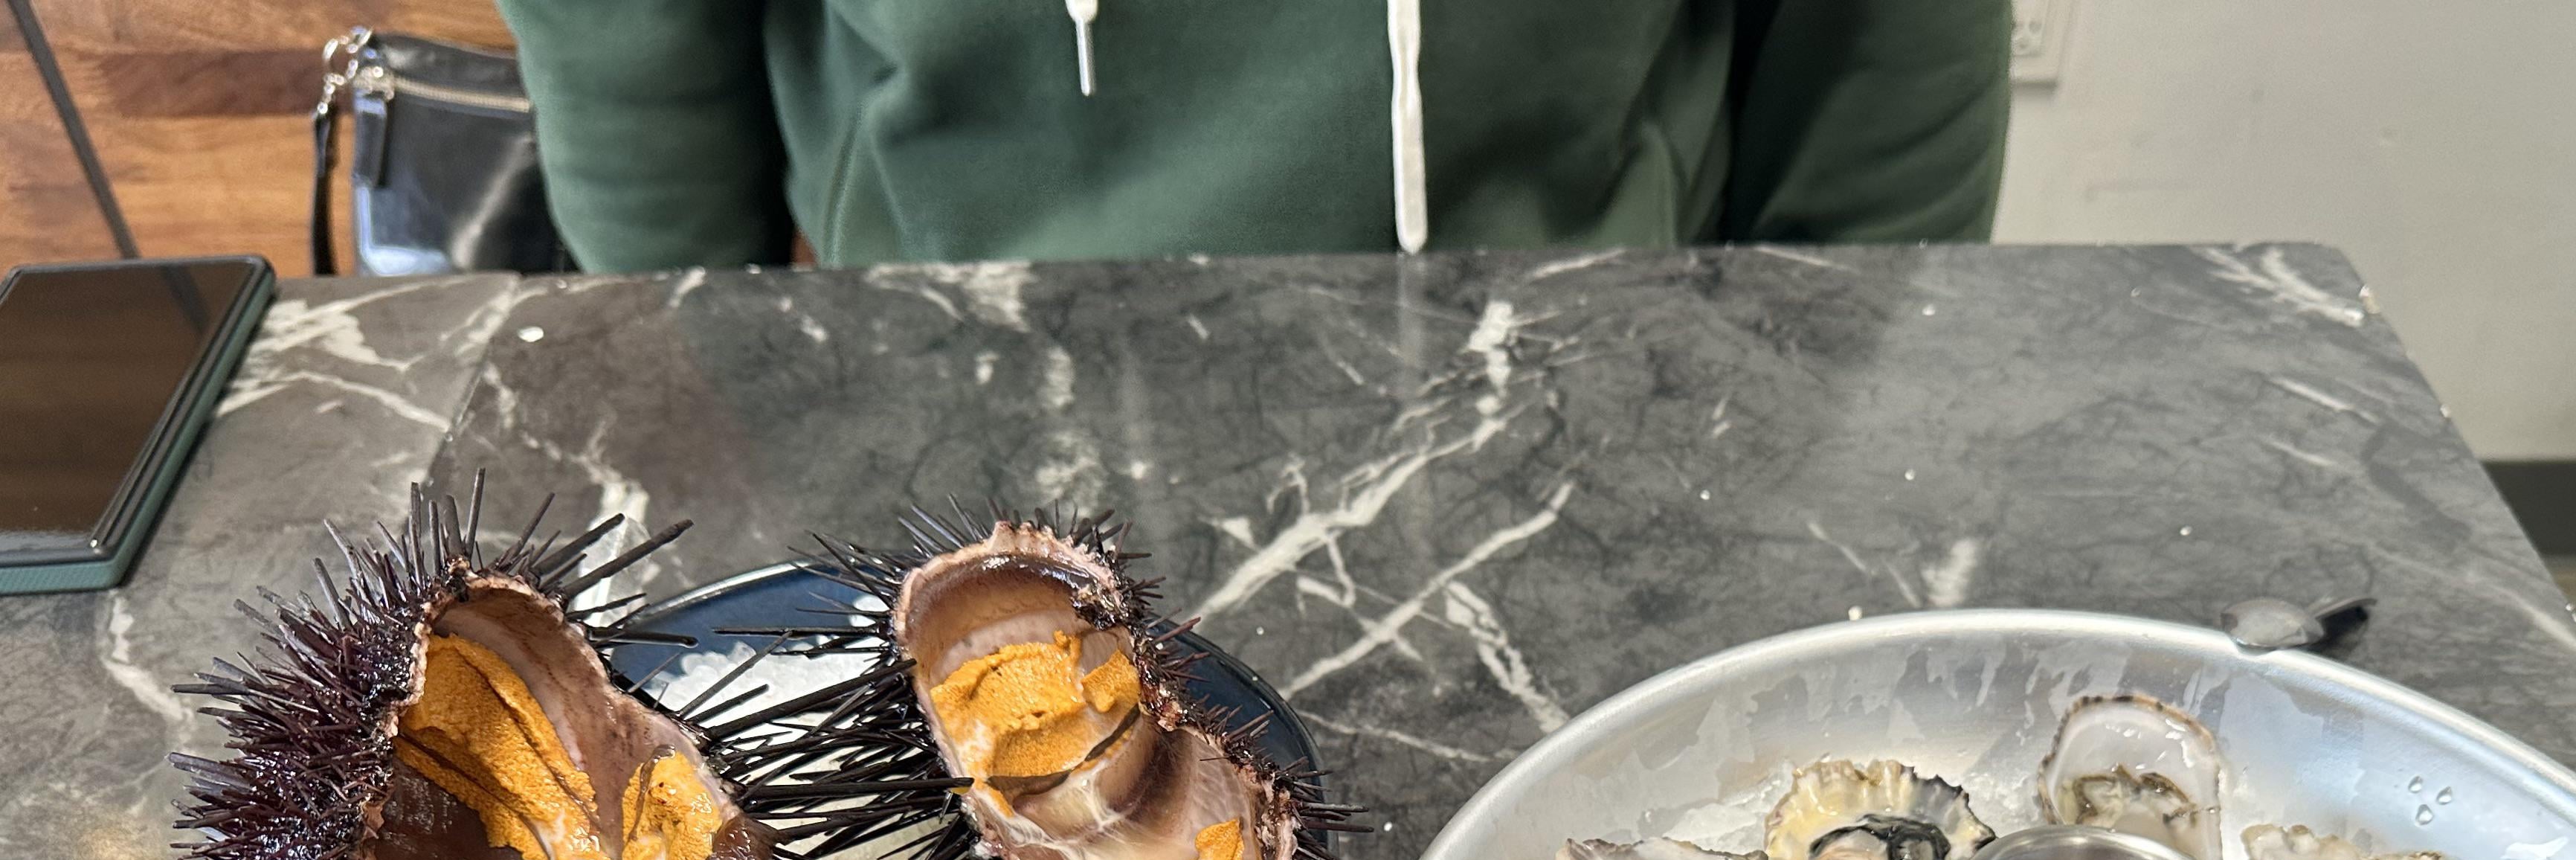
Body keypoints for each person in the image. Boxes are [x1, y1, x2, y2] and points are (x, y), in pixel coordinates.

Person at [497, 1, 2010, 271]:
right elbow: (629, 37)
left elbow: (1887, 49)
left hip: (1601, 334)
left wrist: (1845, 336)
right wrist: (695, 332)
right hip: (950, 340)